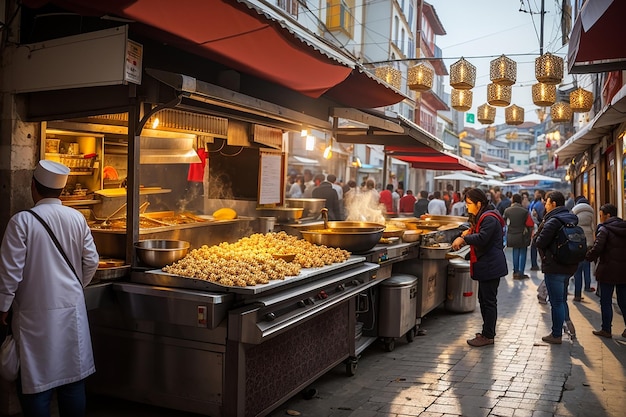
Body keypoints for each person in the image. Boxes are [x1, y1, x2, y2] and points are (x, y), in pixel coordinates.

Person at [0, 160, 99, 416]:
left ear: (33, 186)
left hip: (35, 314)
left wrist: (2, 307)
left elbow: (9, 273)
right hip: (72, 313)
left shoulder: (22, 222)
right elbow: (92, 261)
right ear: (62, 191)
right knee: (72, 380)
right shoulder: (77, 218)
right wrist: (76, 287)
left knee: (37, 382)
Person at [452, 188, 508, 347]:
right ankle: (486, 332)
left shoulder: (489, 218)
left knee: (488, 302)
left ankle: (488, 335)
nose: (467, 207)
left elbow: (483, 238)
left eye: (469, 203)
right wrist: (469, 232)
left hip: (491, 265)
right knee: (483, 300)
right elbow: (481, 233)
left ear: (479, 203)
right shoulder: (485, 215)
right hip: (487, 265)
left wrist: (464, 240)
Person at [533, 191, 579, 344]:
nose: (545, 205)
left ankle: (556, 333)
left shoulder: (552, 221)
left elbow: (540, 242)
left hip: (555, 266)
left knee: (556, 302)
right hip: (568, 265)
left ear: (553, 203)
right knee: (561, 299)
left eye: (546, 202)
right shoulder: (570, 217)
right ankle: (567, 323)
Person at [586, 204, 626, 339]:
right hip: (623, 271)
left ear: (608, 215)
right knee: (623, 300)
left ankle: (606, 329)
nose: (600, 217)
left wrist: (588, 257)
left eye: (601, 214)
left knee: (606, 300)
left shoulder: (604, 229)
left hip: (607, 270)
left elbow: (597, 248)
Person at [503, 194, 533, 279]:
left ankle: (515, 271)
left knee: (515, 252)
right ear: (520, 200)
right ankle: (521, 272)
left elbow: (504, 222)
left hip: (511, 234)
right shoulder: (524, 211)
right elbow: (529, 223)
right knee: (523, 253)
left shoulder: (507, 211)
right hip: (522, 234)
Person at [571, 196, 596, 301]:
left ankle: (577, 294)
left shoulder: (574, 210)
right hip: (589, 242)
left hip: (577, 242)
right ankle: (587, 286)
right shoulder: (591, 211)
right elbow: (593, 227)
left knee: (577, 270)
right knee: (587, 266)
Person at [528, 189, 546, 271]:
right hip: (539, 226)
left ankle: (535, 264)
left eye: (536, 193)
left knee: (535, 246)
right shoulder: (539, 205)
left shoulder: (537, 205)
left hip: (538, 227)